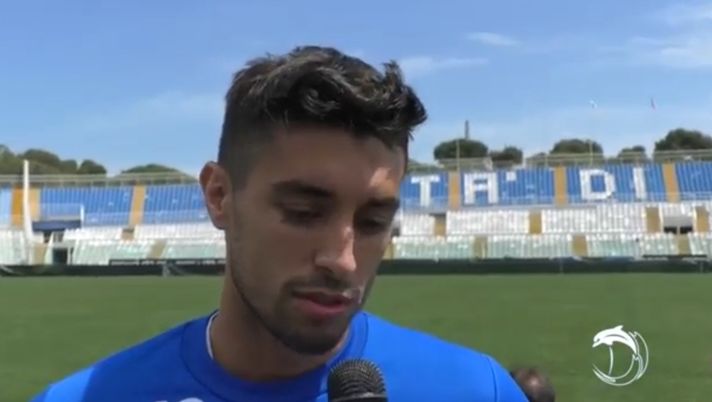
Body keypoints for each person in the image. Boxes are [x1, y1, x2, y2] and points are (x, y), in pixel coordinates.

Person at [31, 46, 527, 402]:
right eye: (304, 213)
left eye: (374, 221)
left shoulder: (478, 391)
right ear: (219, 196)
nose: (343, 260)